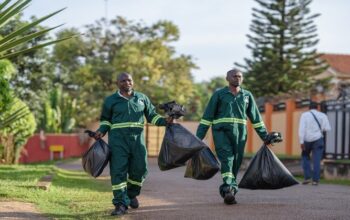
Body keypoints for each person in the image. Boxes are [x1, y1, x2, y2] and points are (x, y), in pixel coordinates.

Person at [94, 72, 173, 216]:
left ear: (133, 82)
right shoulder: (110, 100)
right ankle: (120, 204)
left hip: (137, 141)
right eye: (123, 81)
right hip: (118, 141)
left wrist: (165, 121)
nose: (127, 83)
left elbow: (152, 116)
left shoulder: (142, 98)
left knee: (140, 169)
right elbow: (105, 120)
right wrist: (101, 131)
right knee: (118, 171)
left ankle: (131, 194)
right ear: (118, 83)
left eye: (129, 80)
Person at [196, 68, 269, 205]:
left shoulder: (247, 96)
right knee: (227, 159)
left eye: (240, 76)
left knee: (236, 162)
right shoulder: (219, 94)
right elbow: (207, 117)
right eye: (235, 76)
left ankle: (229, 190)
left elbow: (256, 119)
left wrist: (265, 136)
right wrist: (198, 137)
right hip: (221, 132)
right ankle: (229, 187)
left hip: (240, 134)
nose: (238, 78)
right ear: (227, 78)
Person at [299, 101, 331, 186]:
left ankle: (307, 178)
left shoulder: (304, 115)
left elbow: (302, 129)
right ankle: (315, 180)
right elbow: (327, 128)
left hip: (307, 139)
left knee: (305, 157)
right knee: (316, 159)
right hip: (318, 139)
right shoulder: (323, 115)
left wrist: (301, 141)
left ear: (309, 108)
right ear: (318, 108)